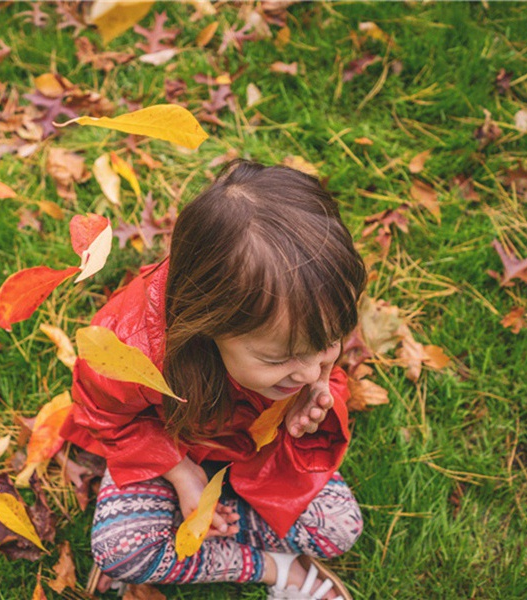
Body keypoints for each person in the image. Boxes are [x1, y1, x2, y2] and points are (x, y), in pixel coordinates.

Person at [59, 160, 367, 599]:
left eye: (330, 342)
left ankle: (223, 523)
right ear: (205, 322)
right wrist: (181, 473)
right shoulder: (127, 350)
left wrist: (314, 397)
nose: (311, 369)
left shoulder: (306, 342)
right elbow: (104, 417)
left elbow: (316, 369)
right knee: (120, 550)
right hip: (168, 449)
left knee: (339, 528)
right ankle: (274, 570)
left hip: (251, 450)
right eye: (280, 359)